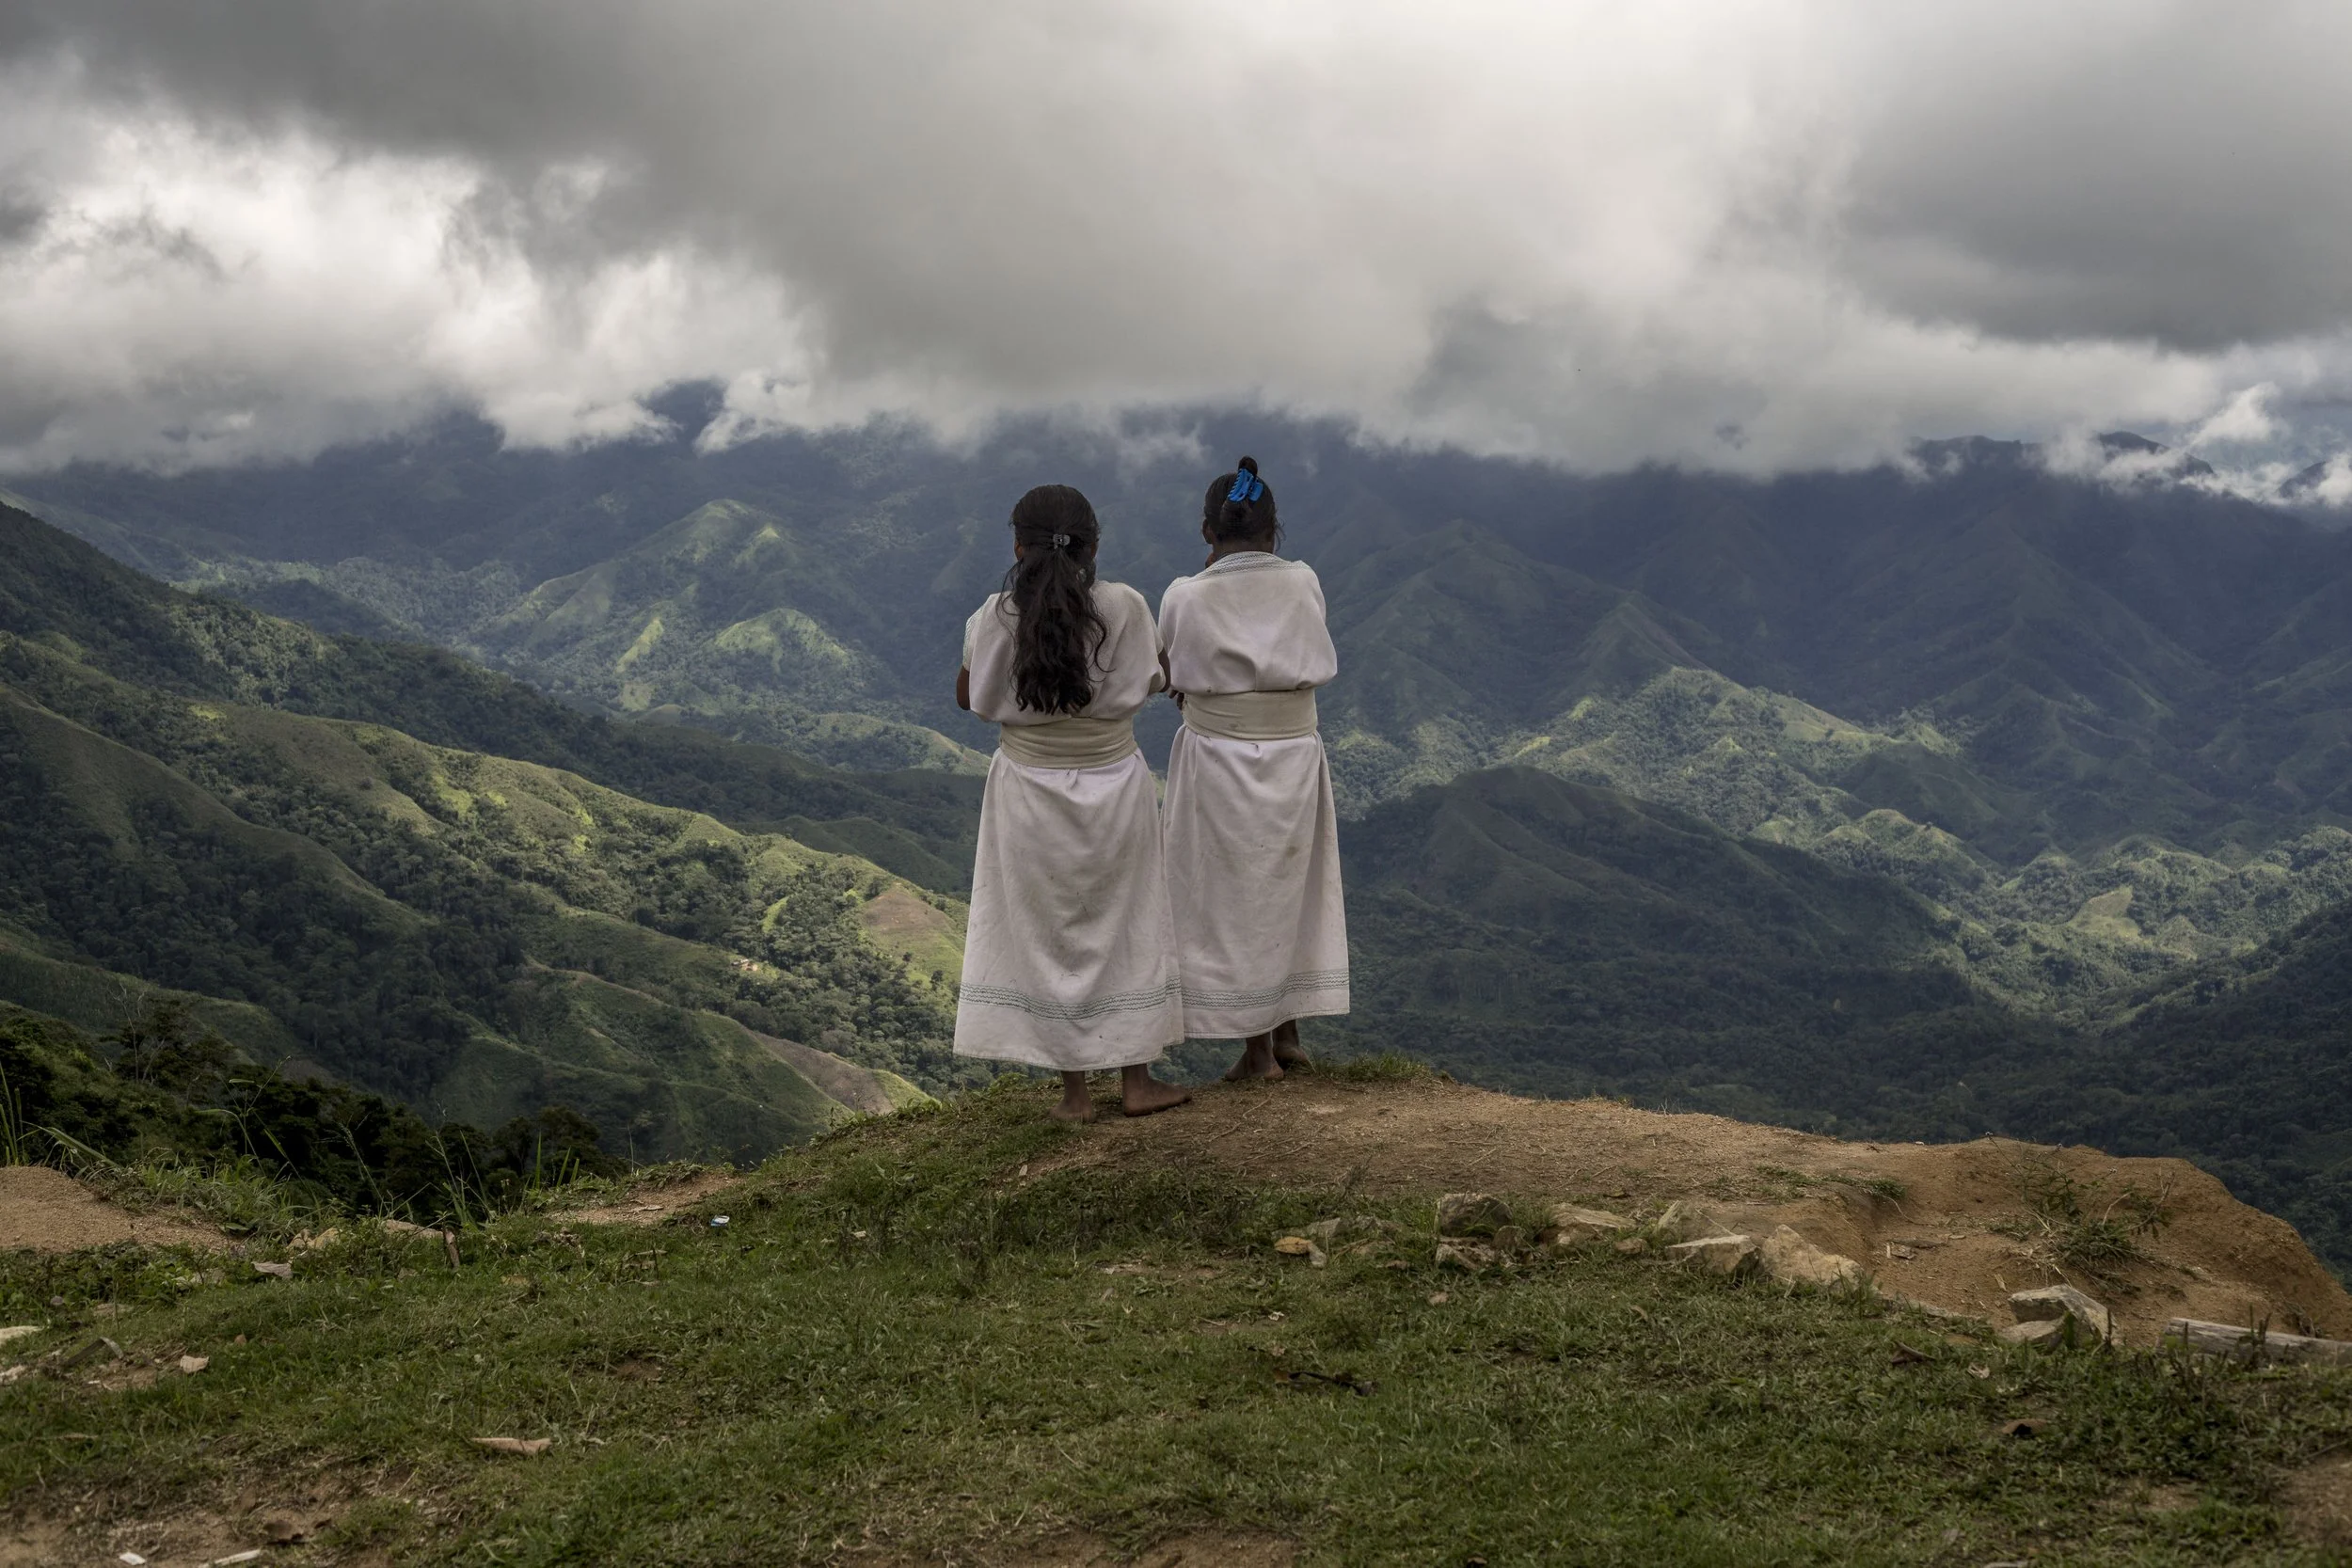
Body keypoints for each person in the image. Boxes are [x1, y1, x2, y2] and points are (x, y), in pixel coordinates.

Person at [953, 483, 1192, 1121]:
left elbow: (966, 694)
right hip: (1114, 783)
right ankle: (1137, 1081)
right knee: (1129, 922)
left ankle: (1075, 1094)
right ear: (1093, 548)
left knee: (1048, 933)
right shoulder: (1126, 605)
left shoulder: (996, 614)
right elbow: (1157, 675)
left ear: (1017, 547)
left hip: (1028, 792)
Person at [1158, 456, 1349, 1081]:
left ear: (1207, 532)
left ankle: (1259, 1052)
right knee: (1285, 885)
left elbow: (1167, 673)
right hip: (1294, 750)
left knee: (1232, 897)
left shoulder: (1185, 593)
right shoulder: (1302, 580)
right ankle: (1285, 1032)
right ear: (1275, 530)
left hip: (1218, 753)